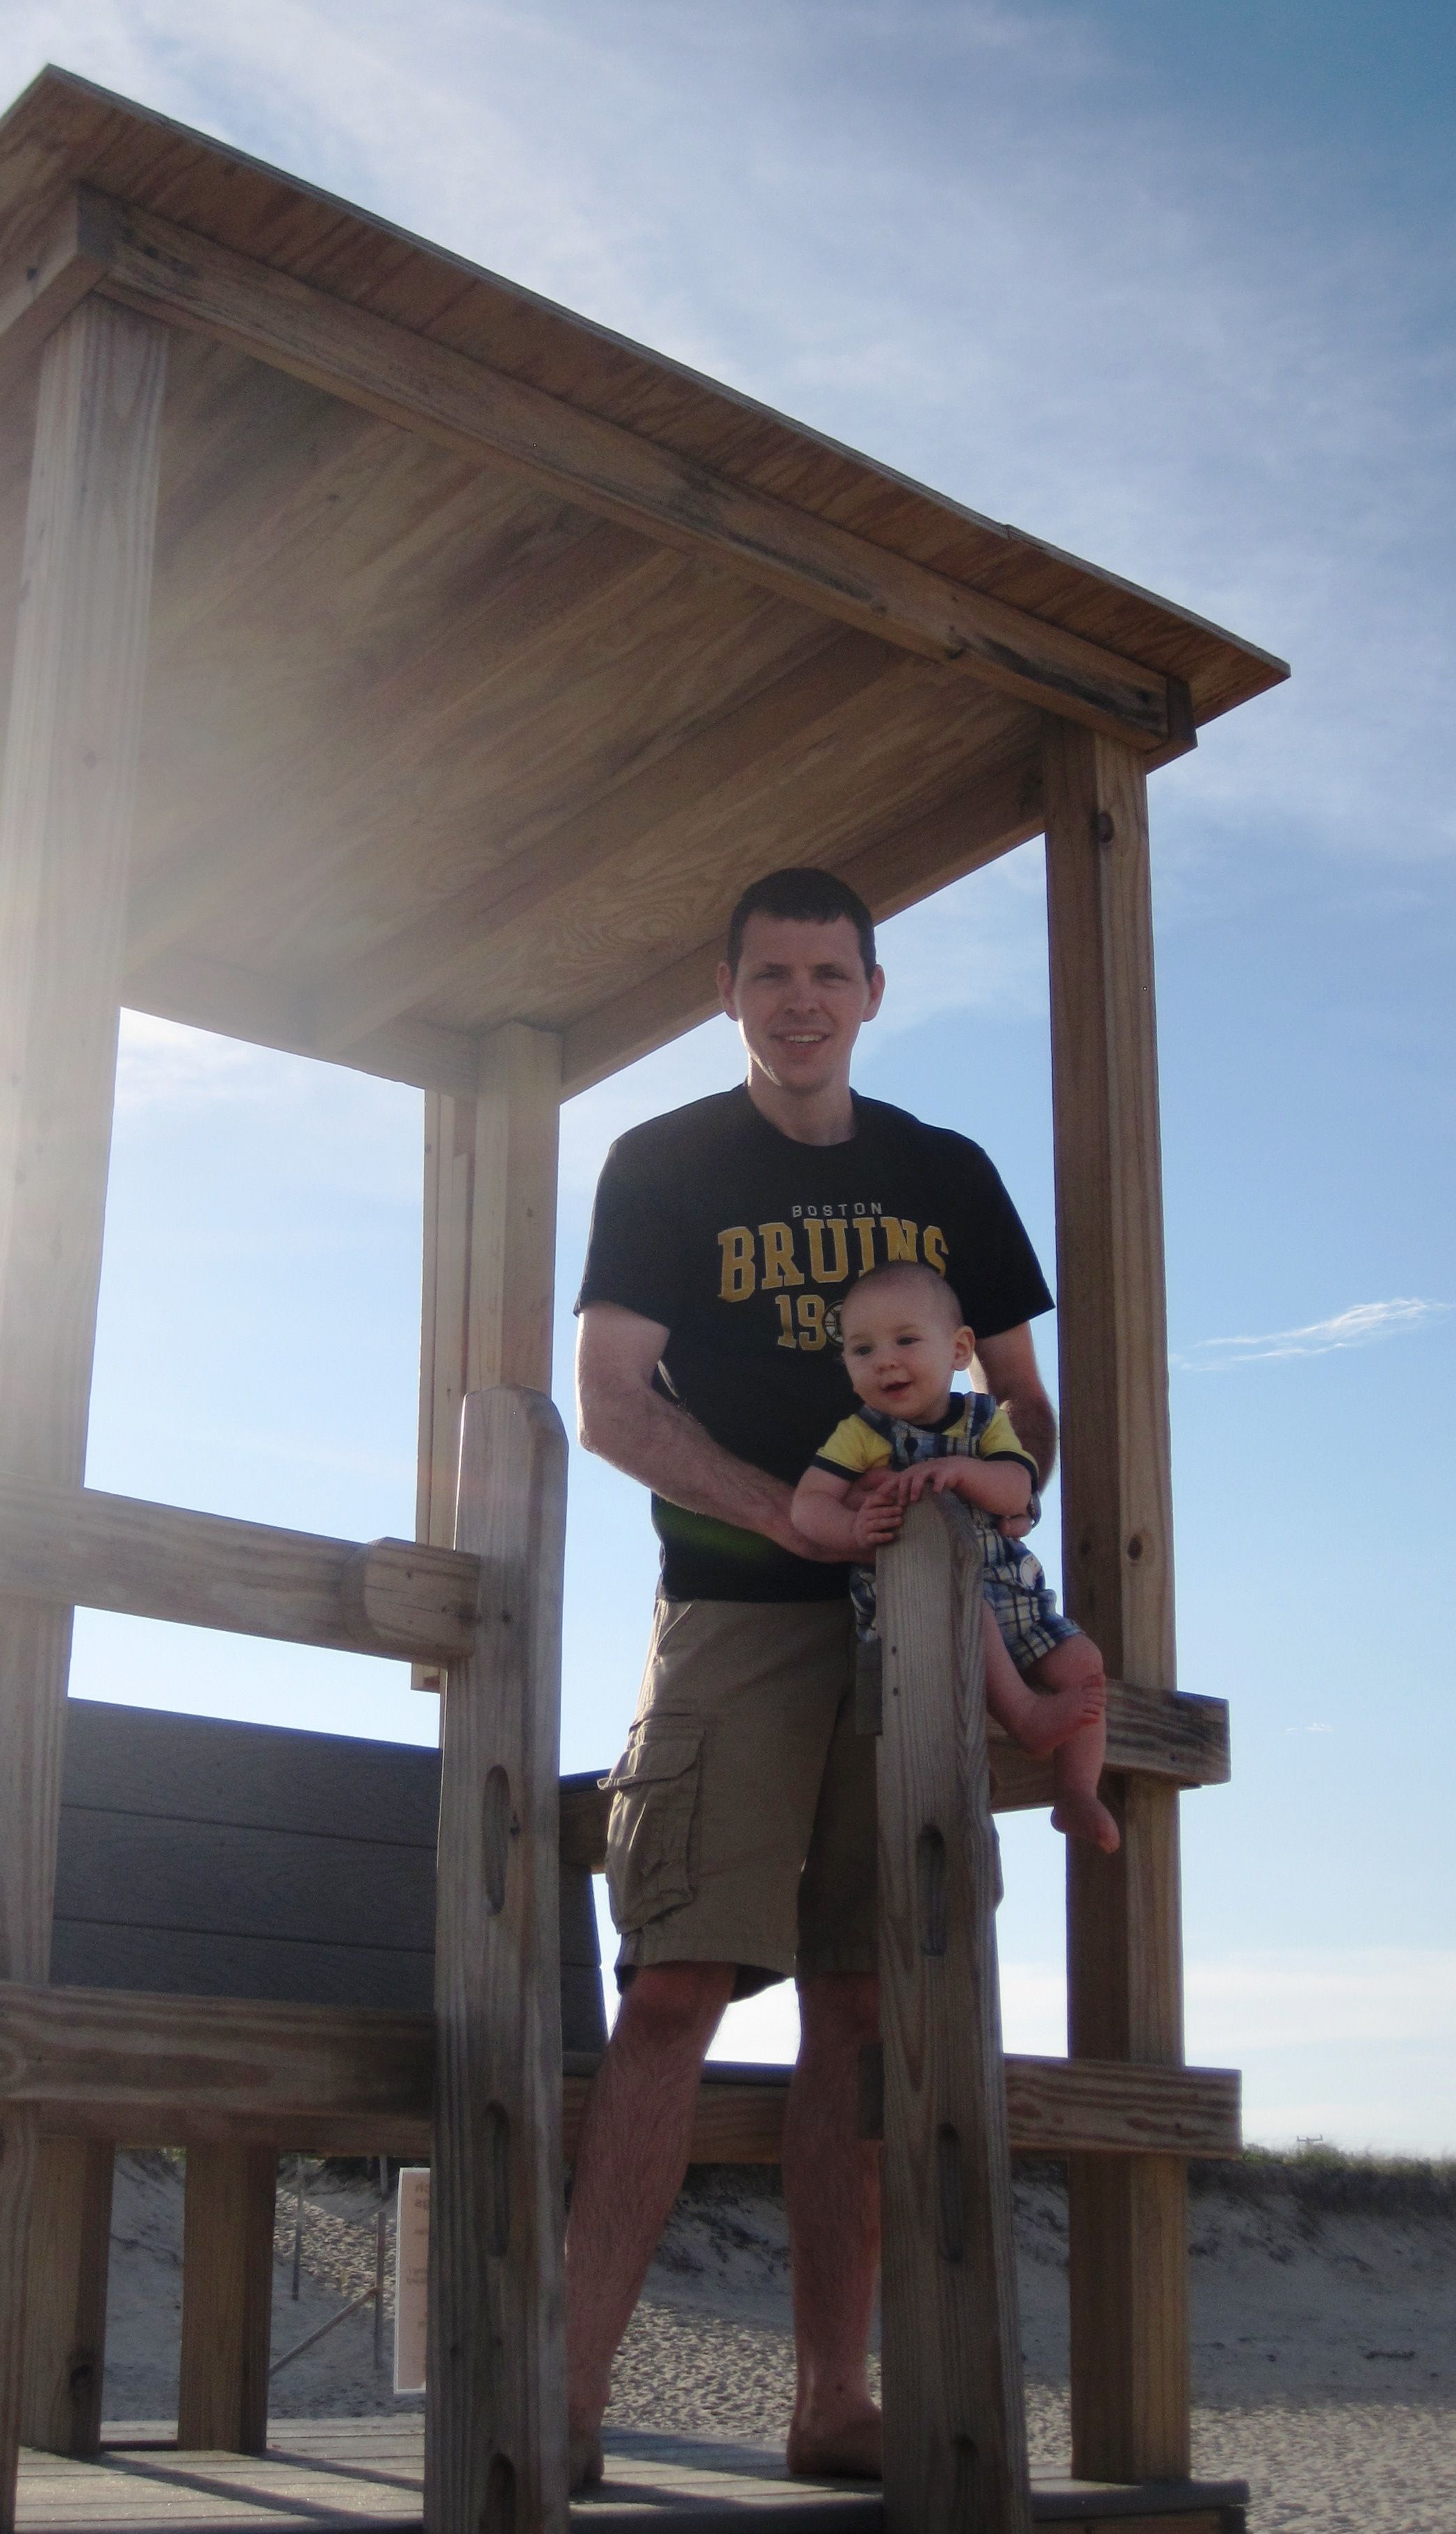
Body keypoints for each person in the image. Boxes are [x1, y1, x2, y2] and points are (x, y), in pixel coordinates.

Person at [565, 865, 1070, 2488]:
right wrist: (781, 1503)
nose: (800, 1000)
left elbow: (1025, 1400)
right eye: (771, 973)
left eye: (828, 972)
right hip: (735, 1607)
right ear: (727, 993)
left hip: (915, 1632)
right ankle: (563, 2392)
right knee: (672, 1986)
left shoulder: (945, 1170)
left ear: (873, 991)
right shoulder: (663, 1161)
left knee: (860, 2000)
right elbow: (610, 1398)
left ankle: (829, 2398)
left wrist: (973, 1496)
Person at [790, 1259, 1117, 1851]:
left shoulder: (984, 1422)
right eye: (862, 1349)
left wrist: (964, 1472)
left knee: (1084, 1661)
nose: (885, 1361)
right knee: (968, 1607)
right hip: (917, 1606)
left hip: (1013, 1592)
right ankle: (1024, 1716)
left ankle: (1076, 1792)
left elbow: (1016, 1489)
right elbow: (808, 1506)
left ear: (960, 1350)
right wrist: (855, 1530)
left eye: (906, 1340)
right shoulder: (861, 1435)